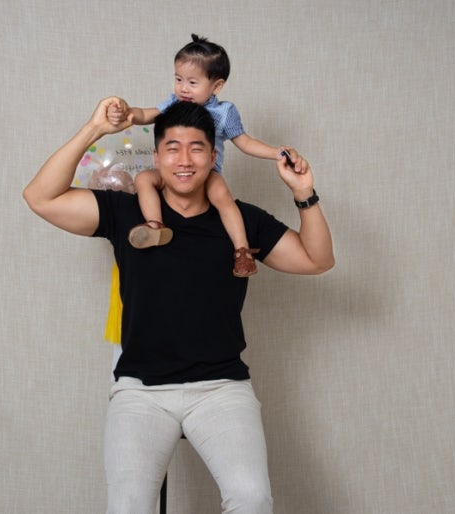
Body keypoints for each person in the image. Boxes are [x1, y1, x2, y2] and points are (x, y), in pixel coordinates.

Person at [23, 97, 334, 514]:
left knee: (252, 498)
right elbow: (40, 197)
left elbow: (317, 260)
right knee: (127, 506)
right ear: (156, 157)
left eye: (196, 148)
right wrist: (95, 129)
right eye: (172, 148)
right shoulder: (126, 211)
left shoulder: (240, 221)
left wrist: (304, 193)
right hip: (141, 391)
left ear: (213, 156)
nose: (184, 160)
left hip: (221, 388)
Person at [108, 34, 297, 278]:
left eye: (192, 82)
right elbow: (146, 114)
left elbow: (245, 142)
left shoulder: (224, 112)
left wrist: (275, 152)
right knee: (144, 178)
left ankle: (242, 252)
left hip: (206, 173)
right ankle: (155, 226)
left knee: (223, 198)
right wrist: (126, 112)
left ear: (216, 86)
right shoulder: (174, 103)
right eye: (178, 79)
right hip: (175, 173)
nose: (183, 88)